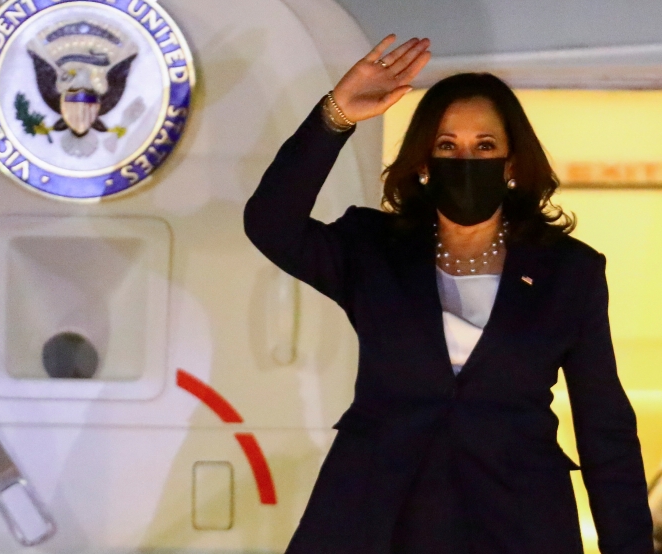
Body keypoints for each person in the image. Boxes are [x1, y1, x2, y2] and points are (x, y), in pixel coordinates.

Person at [243, 36, 653, 554]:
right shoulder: (373, 251)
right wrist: (336, 115)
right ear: (423, 162)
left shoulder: (570, 272)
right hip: (375, 518)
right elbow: (270, 224)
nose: (466, 158)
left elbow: (605, 429)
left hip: (517, 523)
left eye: (485, 146)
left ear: (510, 164)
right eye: (447, 145)